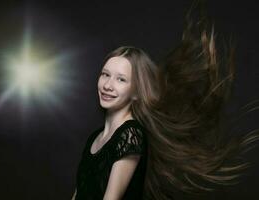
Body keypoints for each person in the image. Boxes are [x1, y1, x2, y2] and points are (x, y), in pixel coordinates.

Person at [72, 5, 258, 200]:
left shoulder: (130, 135)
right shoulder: (95, 137)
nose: (108, 85)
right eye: (105, 74)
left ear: (136, 92)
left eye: (121, 79)